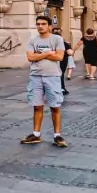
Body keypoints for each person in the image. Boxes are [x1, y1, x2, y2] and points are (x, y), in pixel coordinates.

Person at [21, 16, 68, 148]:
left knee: (55, 106)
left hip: (52, 76)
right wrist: (48, 53)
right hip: (36, 76)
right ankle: (36, 134)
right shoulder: (33, 41)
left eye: (43, 24)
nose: (40, 26)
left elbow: (59, 56)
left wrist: (39, 55)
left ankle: (57, 135)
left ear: (49, 26)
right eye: (38, 24)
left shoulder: (57, 39)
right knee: (37, 106)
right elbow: (30, 57)